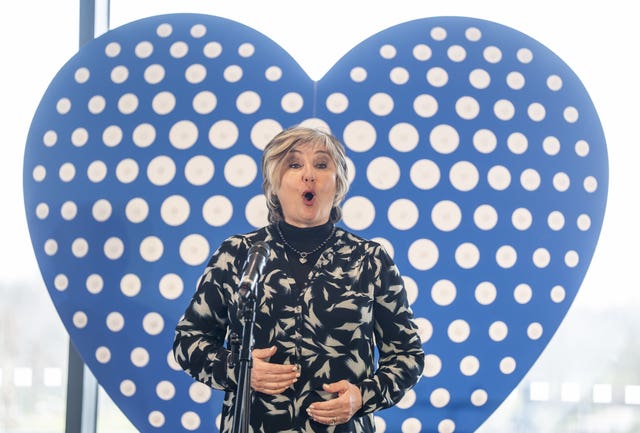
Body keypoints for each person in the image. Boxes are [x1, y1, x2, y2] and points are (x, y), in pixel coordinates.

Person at [173, 126, 425, 433]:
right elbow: (188, 341)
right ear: (273, 184)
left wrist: (362, 397)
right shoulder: (238, 254)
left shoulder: (370, 259)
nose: (309, 175)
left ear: (338, 183)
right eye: (294, 164)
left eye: (321, 165)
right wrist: (241, 371)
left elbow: (407, 356)